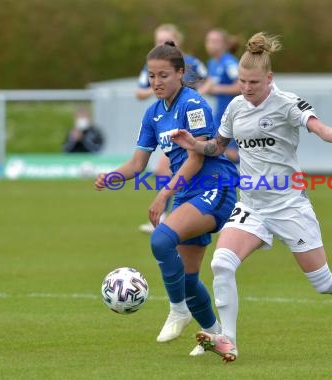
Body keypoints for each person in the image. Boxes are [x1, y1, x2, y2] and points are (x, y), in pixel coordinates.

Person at [171, 32, 332, 363]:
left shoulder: (287, 103)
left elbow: (315, 125)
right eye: (242, 81)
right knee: (221, 264)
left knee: (323, 282)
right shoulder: (235, 107)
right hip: (251, 205)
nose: (246, 88)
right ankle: (228, 340)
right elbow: (217, 146)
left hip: (289, 205)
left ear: (269, 78)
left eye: (254, 82)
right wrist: (193, 144)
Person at [95, 41, 238, 356]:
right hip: (188, 191)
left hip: (216, 187)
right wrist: (111, 176)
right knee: (188, 281)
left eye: (163, 75)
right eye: (151, 76)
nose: (156, 82)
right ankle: (216, 337)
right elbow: (137, 164)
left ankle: (178, 310)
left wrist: (162, 195)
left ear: (180, 74)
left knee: (161, 240)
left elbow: (197, 158)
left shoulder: (194, 104)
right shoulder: (153, 113)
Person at [136, 24, 209, 234]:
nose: (161, 44)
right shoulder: (152, 69)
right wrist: (159, 86)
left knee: (200, 162)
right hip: (168, 120)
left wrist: (195, 92)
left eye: (166, 39)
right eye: (157, 40)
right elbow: (139, 92)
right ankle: (176, 214)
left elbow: (209, 80)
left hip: (191, 123)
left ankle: (189, 212)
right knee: (169, 168)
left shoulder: (192, 65)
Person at [198, 28, 242, 165]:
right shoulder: (212, 62)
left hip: (234, 114)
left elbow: (241, 87)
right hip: (220, 114)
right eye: (208, 41)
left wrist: (215, 89)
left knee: (227, 152)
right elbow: (209, 85)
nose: (211, 44)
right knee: (218, 149)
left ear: (225, 44)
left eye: (215, 41)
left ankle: (259, 167)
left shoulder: (229, 62)